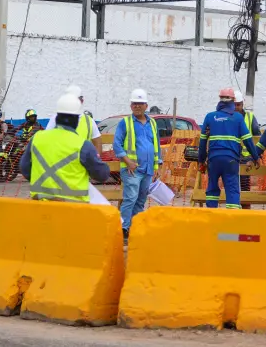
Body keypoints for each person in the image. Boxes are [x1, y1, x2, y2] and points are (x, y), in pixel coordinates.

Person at [19, 93, 111, 202]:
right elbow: (102, 175)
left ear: (57, 117)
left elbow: (24, 168)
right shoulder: (83, 145)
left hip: (41, 207)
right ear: (76, 120)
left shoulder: (37, 138)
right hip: (73, 209)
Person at [198, 88, 260, 210]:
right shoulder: (237, 118)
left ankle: (212, 217)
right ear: (232, 101)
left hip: (213, 160)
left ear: (220, 100)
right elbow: (248, 140)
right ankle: (232, 220)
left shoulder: (210, 117)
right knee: (232, 190)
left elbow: (202, 141)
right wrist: (256, 157)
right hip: (231, 160)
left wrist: (201, 160)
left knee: (212, 189)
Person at [113, 88, 162, 242]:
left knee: (140, 200)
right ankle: (124, 228)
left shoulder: (152, 123)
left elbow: (156, 145)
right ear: (130, 105)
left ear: (146, 106)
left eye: (140, 104)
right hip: (132, 170)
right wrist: (128, 161)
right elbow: (117, 145)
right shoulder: (125, 123)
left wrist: (157, 166)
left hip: (147, 169)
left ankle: (135, 227)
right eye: (134, 104)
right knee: (130, 198)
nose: (137, 106)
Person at [46, 85, 102, 149]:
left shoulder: (89, 121)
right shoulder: (55, 118)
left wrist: (96, 157)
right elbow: (47, 139)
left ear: (82, 101)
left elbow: (97, 141)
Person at [234, 90, 261, 208]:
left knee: (244, 185)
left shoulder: (250, 117)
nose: (236, 107)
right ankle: (235, 208)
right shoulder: (229, 117)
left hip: (246, 157)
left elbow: (257, 137)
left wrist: (253, 156)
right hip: (233, 156)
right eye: (234, 105)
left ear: (242, 104)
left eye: (238, 105)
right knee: (233, 185)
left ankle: (245, 209)